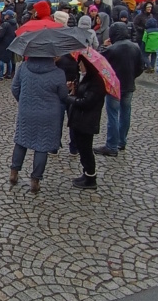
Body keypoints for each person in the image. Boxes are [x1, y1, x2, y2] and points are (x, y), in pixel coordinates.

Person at [10, 55, 68, 193]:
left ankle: (14, 172)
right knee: (42, 146)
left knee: (21, 141)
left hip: (26, 111)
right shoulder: (58, 73)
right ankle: (35, 180)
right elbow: (63, 96)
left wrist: (23, 102)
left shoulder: (23, 68)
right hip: (48, 115)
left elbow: (15, 88)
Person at [96, 22, 144, 156]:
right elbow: (141, 67)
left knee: (113, 116)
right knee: (125, 114)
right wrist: (132, 76)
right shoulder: (135, 47)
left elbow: (99, 61)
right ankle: (121, 141)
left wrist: (104, 45)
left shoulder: (112, 49)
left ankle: (111, 145)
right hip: (129, 85)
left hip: (114, 87)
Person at [66, 56, 106, 189]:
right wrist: (74, 88)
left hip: (87, 121)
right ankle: (87, 173)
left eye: (81, 64)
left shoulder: (96, 82)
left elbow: (86, 102)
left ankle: (90, 177)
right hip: (79, 120)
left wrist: (70, 99)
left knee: (86, 149)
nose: (79, 66)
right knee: (82, 148)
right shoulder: (86, 78)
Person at [0, 12, 17, 80]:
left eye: (5, 14)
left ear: (8, 16)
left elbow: (1, 35)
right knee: (9, 59)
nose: (4, 16)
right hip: (11, 42)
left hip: (3, 43)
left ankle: (0, 75)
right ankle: (9, 74)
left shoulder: (5, 24)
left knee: (1, 59)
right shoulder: (15, 24)